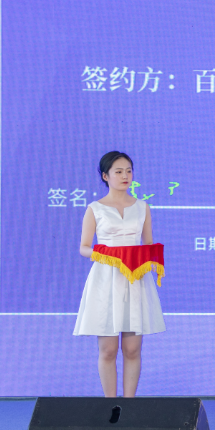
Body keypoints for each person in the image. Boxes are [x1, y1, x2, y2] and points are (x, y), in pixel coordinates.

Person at [74, 151, 166, 397]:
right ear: (106, 176)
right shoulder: (95, 209)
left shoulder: (142, 207)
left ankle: (129, 405)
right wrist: (105, 253)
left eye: (128, 171)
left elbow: (148, 244)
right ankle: (111, 406)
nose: (125, 176)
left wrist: (151, 258)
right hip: (106, 278)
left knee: (133, 349)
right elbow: (84, 247)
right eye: (118, 171)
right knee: (108, 350)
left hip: (135, 279)